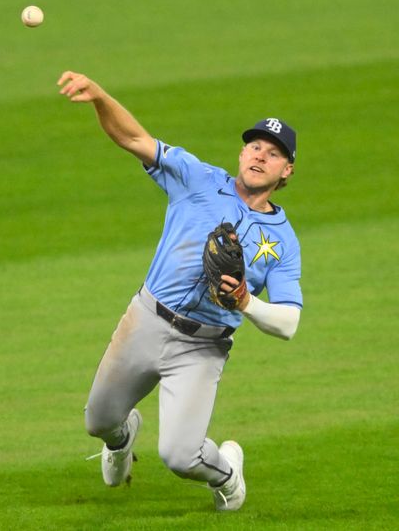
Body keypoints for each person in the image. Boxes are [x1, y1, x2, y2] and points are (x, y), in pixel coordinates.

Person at [58, 71, 303, 511]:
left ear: (287, 171)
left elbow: (288, 324)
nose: (260, 156)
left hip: (201, 349)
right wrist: (99, 96)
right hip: (146, 321)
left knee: (180, 456)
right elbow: (133, 138)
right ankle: (122, 436)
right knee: (98, 421)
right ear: (242, 152)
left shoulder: (283, 242)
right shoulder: (197, 177)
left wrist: (246, 302)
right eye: (255, 147)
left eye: (274, 154)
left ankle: (228, 475)